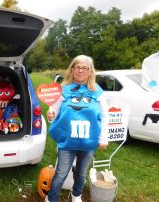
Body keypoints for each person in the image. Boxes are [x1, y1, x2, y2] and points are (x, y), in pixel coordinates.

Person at [45, 55, 108, 202]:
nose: (81, 70)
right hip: (68, 141)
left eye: (85, 67)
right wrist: (50, 115)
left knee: (81, 173)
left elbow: (105, 117)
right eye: (77, 67)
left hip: (88, 141)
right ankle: (51, 198)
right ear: (72, 69)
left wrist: (103, 138)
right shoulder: (63, 90)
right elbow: (53, 114)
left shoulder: (98, 92)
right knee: (60, 173)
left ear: (90, 71)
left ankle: (76, 195)